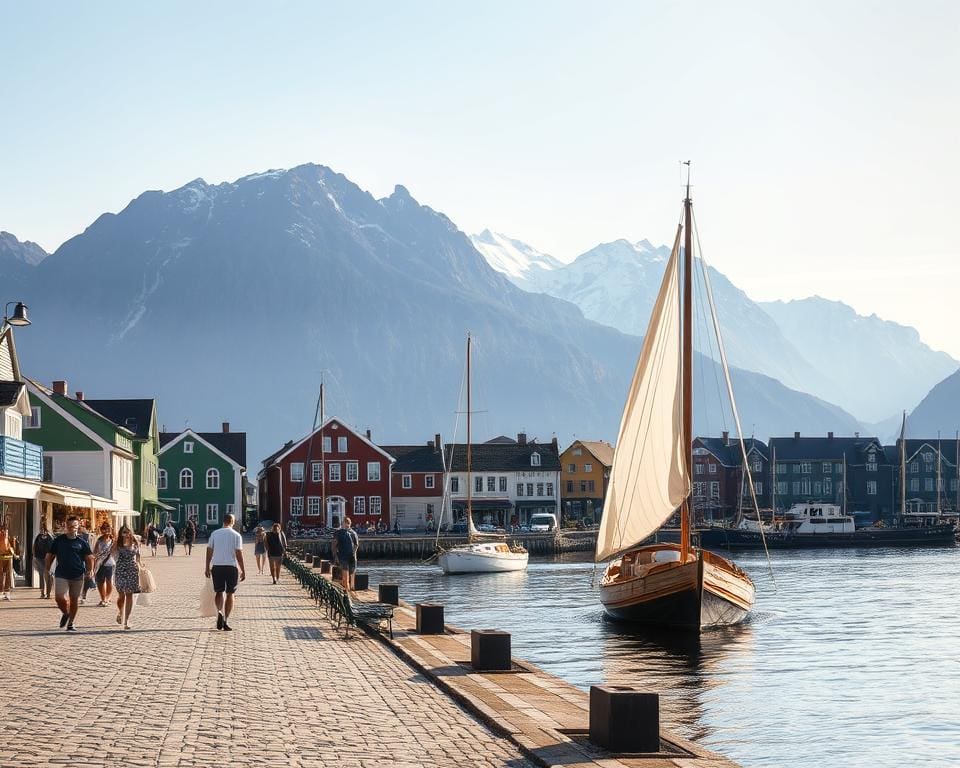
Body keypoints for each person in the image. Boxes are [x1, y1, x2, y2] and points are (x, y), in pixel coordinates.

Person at [45, 516, 95, 631]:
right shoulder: (58, 540)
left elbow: (89, 557)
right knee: (59, 597)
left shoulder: (82, 542)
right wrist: (47, 569)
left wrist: (90, 570)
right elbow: (50, 555)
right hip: (61, 573)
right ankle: (66, 613)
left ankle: (71, 623)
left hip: (77, 574)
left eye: (74, 526)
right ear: (65, 526)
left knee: (74, 599)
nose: (71, 529)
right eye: (69, 526)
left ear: (78, 527)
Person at [204, 513, 245, 631]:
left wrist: (207, 567)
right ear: (232, 521)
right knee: (230, 593)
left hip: (217, 566)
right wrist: (243, 569)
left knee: (218, 592)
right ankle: (226, 619)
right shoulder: (236, 535)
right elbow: (239, 554)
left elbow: (209, 550)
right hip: (231, 567)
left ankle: (219, 611)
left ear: (223, 521)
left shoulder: (215, 534)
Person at [112, 524, 141, 630]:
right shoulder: (117, 543)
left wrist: (141, 566)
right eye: (124, 532)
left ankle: (126, 620)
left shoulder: (136, 542)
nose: (126, 534)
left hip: (132, 570)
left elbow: (138, 557)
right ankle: (120, 612)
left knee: (129, 595)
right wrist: (117, 544)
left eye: (128, 531)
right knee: (121, 596)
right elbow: (112, 555)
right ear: (120, 533)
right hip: (120, 570)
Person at [90, 523, 116, 607]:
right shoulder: (99, 541)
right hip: (100, 564)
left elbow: (116, 550)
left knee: (109, 581)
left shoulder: (113, 541)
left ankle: (107, 598)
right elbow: (94, 553)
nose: (106, 531)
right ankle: (103, 599)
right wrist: (92, 565)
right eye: (104, 529)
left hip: (110, 564)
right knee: (100, 582)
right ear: (101, 530)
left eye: (108, 529)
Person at [331, 517, 359, 591]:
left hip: (347, 557)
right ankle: (348, 592)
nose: (346, 525)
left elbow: (334, 545)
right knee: (347, 576)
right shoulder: (350, 533)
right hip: (347, 557)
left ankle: (348, 592)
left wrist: (335, 556)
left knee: (348, 577)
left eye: (347, 524)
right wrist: (336, 556)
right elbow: (356, 545)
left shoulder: (349, 533)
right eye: (345, 524)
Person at [32, 522, 55, 599]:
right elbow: (34, 547)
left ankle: (45, 593)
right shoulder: (45, 536)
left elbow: (34, 547)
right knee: (45, 575)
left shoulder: (44, 536)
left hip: (45, 558)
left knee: (46, 575)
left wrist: (35, 556)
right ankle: (44, 593)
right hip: (42, 558)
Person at [0, 525, 19, 600]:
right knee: (4, 575)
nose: (4, 532)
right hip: (5, 558)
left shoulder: (9, 537)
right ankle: (4, 592)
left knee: (5, 575)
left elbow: (13, 547)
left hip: (6, 558)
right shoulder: (7, 537)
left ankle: (5, 592)